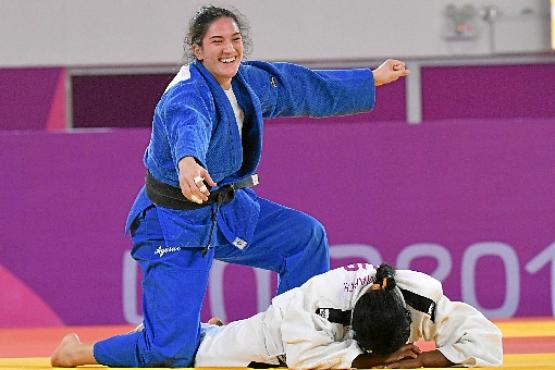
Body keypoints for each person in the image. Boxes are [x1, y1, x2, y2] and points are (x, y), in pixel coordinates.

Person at [51, 5, 409, 368]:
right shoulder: (186, 94)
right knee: (169, 351)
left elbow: (298, 86)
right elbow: (187, 125)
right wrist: (187, 161)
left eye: (235, 40)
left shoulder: (247, 82)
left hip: (227, 211)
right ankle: (77, 352)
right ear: (197, 49)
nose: (229, 49)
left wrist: (371, 79)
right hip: (174, 224)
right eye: (217, 41)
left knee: (304, 238)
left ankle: (292, 341)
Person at [51, 263, 503, 369]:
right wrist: (380, 361)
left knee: (204, 340)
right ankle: (78, 353)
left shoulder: (418, 294)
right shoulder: (315, 307)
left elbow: (487, 340)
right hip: (277, 340)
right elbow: (308, 362)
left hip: (337, 335)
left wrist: (429, 359)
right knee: (186, 352)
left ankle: (214, 330)